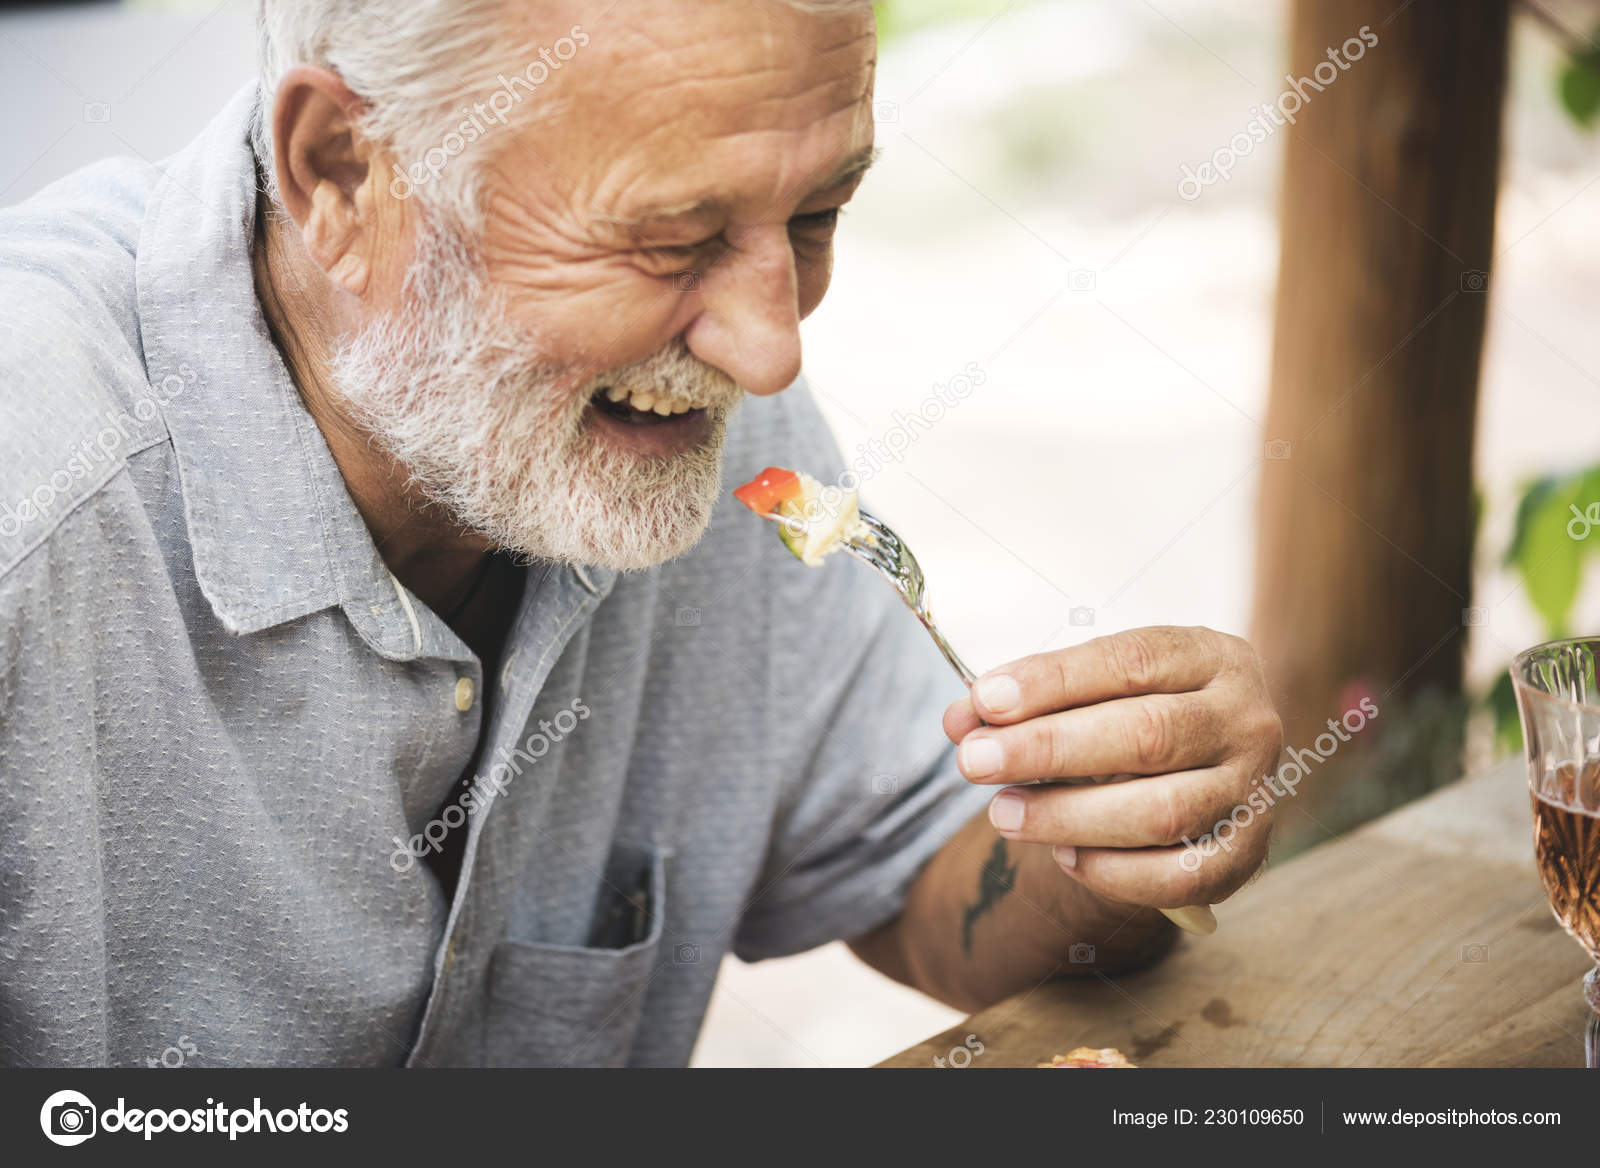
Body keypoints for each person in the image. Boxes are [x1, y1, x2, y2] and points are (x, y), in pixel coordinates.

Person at [0, 0, 1281, 1066]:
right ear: (342, 169)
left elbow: (924, 887)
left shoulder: (688, 410)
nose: (769, 353)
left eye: (818, 218)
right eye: (672, 239)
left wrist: (1107, 834)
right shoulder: (34, 502)